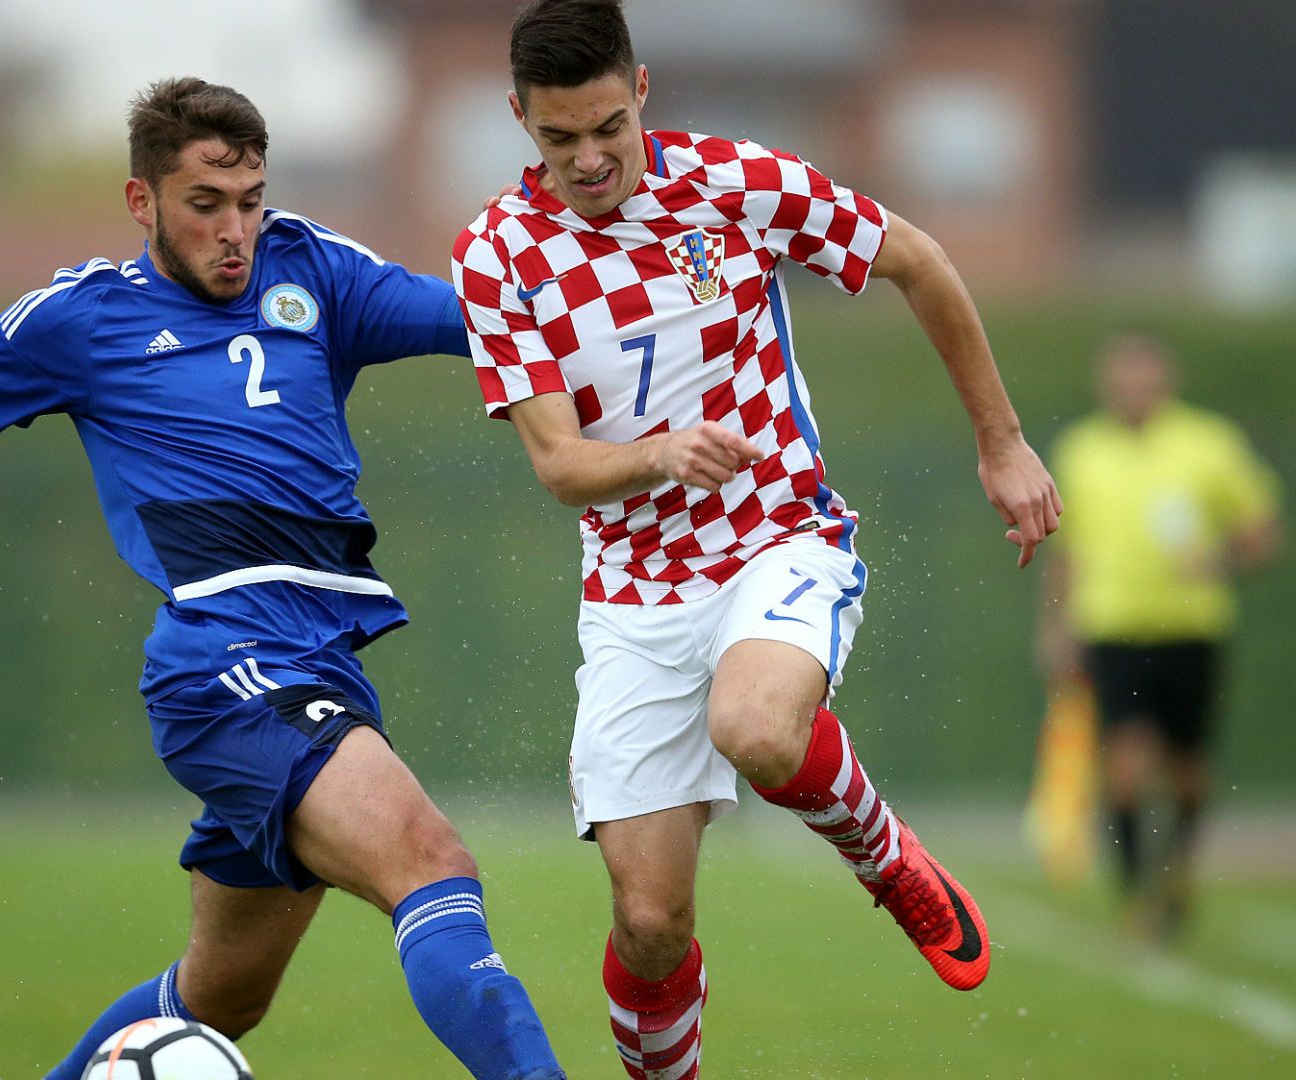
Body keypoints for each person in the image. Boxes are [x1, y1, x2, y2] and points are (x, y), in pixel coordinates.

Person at [0, 77, 565, 1080]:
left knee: (222, 996)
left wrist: (620, 302)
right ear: (143, 202)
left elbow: (484, 322)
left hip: (319, 659)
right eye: (205, 205)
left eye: (250, 201)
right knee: (433, 862)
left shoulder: (311, 270)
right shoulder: (78, 320)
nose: (235, 230)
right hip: (226, 665)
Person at [451, 2, 1062, 1073]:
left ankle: (883, 855)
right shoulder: (497, 257)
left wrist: (1002, 443)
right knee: (649, 923)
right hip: (634, 595)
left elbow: (917, 261)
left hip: (777, 535)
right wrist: (657, 453)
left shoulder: (738, 185)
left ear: (641, 91)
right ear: (519, 119)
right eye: (558, 138)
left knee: (759, 727)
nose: (589, 159)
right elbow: (558, 466)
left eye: (606, 127)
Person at [1039, 333, 1280, 937]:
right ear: (1106, 384)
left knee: (1188, 771)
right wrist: (1057, 623)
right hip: (1113, 626)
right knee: (1123, 762)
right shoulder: (1081, 449)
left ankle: (1179, 872)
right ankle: (1135, 891)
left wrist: (1219, 561)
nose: (1134, 390)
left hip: (1194, 627)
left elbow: (1262, 532)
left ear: (1166, 381)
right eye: (1123, 379)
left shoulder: (1210, 443)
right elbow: (1067, 550)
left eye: (1144, 379)